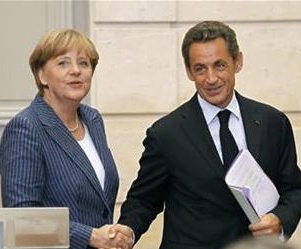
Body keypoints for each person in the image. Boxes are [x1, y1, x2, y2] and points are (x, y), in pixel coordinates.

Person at [114, 21, 301, 249]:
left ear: (238, 62)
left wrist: (280, 220)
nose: (211, 79)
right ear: (189, 71)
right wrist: (127, 231)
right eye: (200, 69)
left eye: (220, 65)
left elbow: (293, 189)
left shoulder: (273, 122)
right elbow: (144, 199)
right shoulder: (166, 134)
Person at [0, 29, 132, 249]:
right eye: (63, 63)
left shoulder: (92, 119)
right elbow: (22, 216)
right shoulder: (26, 127)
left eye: (84, 63)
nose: (76, 71)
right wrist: (90, 236)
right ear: (42, 76)